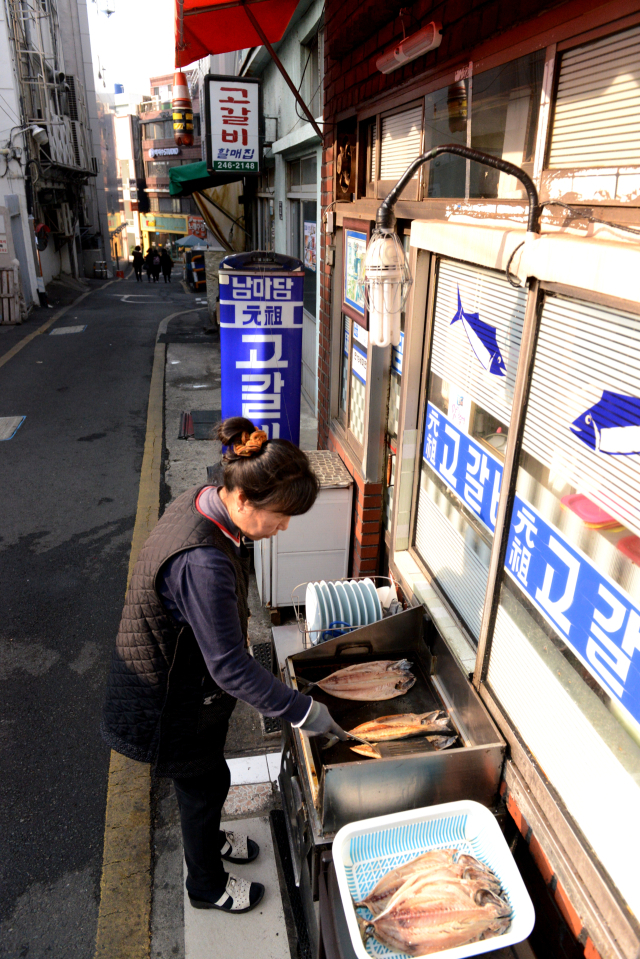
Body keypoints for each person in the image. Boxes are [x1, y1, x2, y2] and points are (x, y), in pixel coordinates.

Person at [101, 417, 346, 914]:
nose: (284, 526)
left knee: (210, 781)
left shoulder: (205, 499)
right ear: (242, 500)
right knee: (201, 787)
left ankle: (209, 842)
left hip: (179, 677)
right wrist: (302, 710)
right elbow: (231, 667)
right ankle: (207, 887)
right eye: (280, 515)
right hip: (169, 699)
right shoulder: (204, 562)